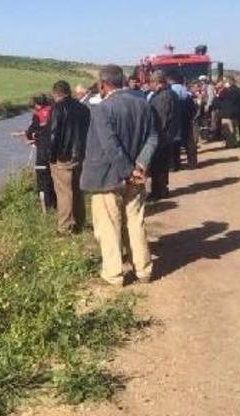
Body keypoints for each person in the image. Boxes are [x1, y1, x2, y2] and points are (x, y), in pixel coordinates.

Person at [81, 65, 157, 286]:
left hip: (109, 176)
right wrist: (141, 165)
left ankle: (113, 274)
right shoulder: (144, 104)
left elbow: (110, 145)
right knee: (136, 222)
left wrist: (127, 170)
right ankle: (143, 271)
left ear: (103, 84)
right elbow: (153, 137)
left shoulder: (103, 109)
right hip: (136, 177)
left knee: (109, 225)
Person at [48, 80, 90, 234]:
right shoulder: (83, 109)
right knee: (77, 189)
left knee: (64, 191)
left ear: (55, 93)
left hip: (63, 156)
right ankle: (79, 222)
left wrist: (51, 157)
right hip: (80, 153)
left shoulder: (57, 108)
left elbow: (53, 134)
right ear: (69, 91)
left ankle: (65, 226)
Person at [148, 70, 181, 200]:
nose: (149, 86)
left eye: (151, 83)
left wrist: (154, 135)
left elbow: (161, 119)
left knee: (158, 166)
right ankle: (160, 190)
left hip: (162, 137)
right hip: (167, 137)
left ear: (158, 83)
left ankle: (159, 192)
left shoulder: (163, 96)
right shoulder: (169, 93)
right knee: (160, 166)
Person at [26, 95, 57, 211]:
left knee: (42, 177)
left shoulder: (38, 115)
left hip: (43, 151)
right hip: (56, 150)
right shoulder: (54, 110)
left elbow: (30, 132)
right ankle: (56, 203)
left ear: (37, 105)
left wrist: (32, 136)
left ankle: (46, 206)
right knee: (54, 177)